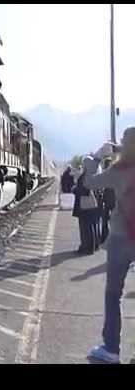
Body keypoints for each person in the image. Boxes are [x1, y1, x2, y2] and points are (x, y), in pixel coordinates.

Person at [83, 127, 135, 364]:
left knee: (113, 294)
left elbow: (90, 182)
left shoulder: (119, 169)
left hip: (122, 239)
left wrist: (95, 157)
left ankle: (111, 349)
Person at [72, 156, 100, 254]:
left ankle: (87, 247)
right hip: (89, 204)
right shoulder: (91, 174)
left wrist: (74, 190)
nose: (83, 165)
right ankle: (92, 246)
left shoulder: (87, 175)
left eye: (84, 163)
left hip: (86, 204)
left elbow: (85, 190)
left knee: (86, 227)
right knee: (90, 226)